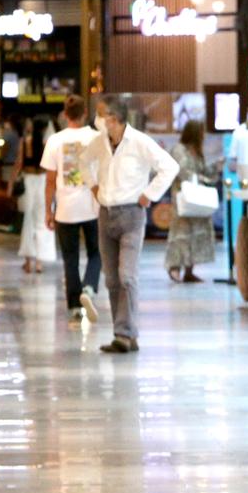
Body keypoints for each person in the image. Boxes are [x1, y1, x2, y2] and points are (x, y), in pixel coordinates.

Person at [86, 97, 179, 353]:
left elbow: (169, 167)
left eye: (100, 115)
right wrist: (93, 186)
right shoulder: (99, 143)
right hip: (106, 214)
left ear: (114, 119)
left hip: (132, 215)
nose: (97, 120)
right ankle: (124, 334)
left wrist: (149, 194)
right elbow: (83, 162)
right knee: (112, 280)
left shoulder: (139, 141)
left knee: (127, 276)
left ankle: (126, 333)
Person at [41, 95, 102, 322]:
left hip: (65, 208)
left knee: (70, 257)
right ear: (85, 112)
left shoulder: (55, 141)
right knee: (97, 252)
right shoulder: (96, 138)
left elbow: (49, 180)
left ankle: (74, 307)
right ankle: (89, 288)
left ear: (65, 114)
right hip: (94, 206)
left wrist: (48, 210)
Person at [165, 120, 222, 283]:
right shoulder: (179, 150)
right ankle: (174, 266)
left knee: (197, 233)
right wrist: (202, 179)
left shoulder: (197, 152)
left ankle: (190, 270)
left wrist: (215, 168)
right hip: (184, 198)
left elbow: (202, 170)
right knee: (181, 233)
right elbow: (183, 172)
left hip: (198, 201)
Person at [14, 116, 57, 273]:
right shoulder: (48, 145)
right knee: (42, 220)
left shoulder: (25, 142)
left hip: (29, 181)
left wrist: (11, 184)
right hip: (44, 181)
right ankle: (40, 261)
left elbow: (18, 164)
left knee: (28, 221)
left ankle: (28, 261)